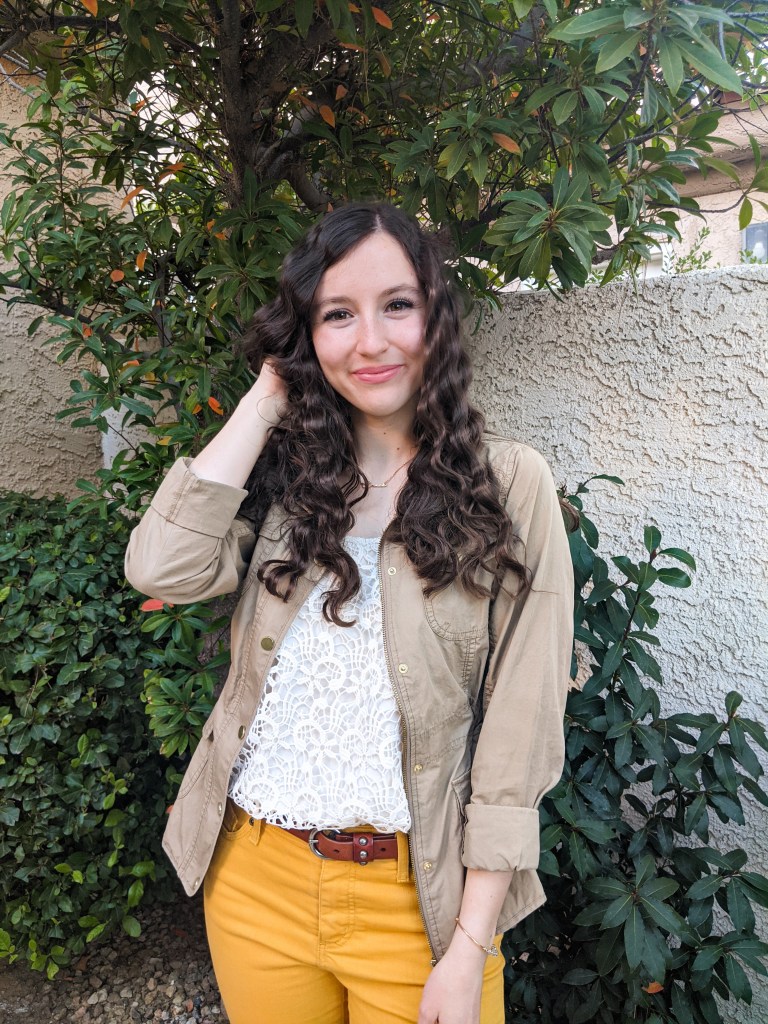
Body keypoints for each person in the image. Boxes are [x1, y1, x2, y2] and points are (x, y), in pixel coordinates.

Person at [124, 202, 574, 1024]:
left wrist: (469, 947)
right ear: (306, 334)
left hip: (420, 904)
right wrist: (268, 396)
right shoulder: (287, 484)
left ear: (436, 317)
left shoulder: (509, 486)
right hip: (255, 881)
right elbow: (161, 567)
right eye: (336, 314)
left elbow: (522, 733)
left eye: (396, 304)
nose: (369, 341)